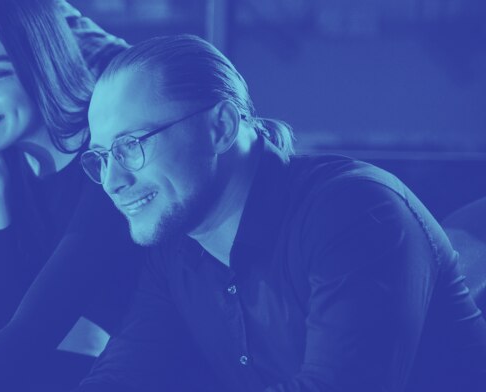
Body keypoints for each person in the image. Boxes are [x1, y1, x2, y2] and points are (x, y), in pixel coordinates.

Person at [76, 34, 486, 391]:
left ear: (220, 127)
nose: (113, 181)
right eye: (101, 157)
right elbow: (122, 378)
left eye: (130, 145)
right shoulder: (176, 250)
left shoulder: (355, 211)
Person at [0, 0, 140, 390]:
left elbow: (32, 333)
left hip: (177, 371)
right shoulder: (10, 162)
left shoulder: (105, 154)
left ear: (45, 65)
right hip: (108, 369)